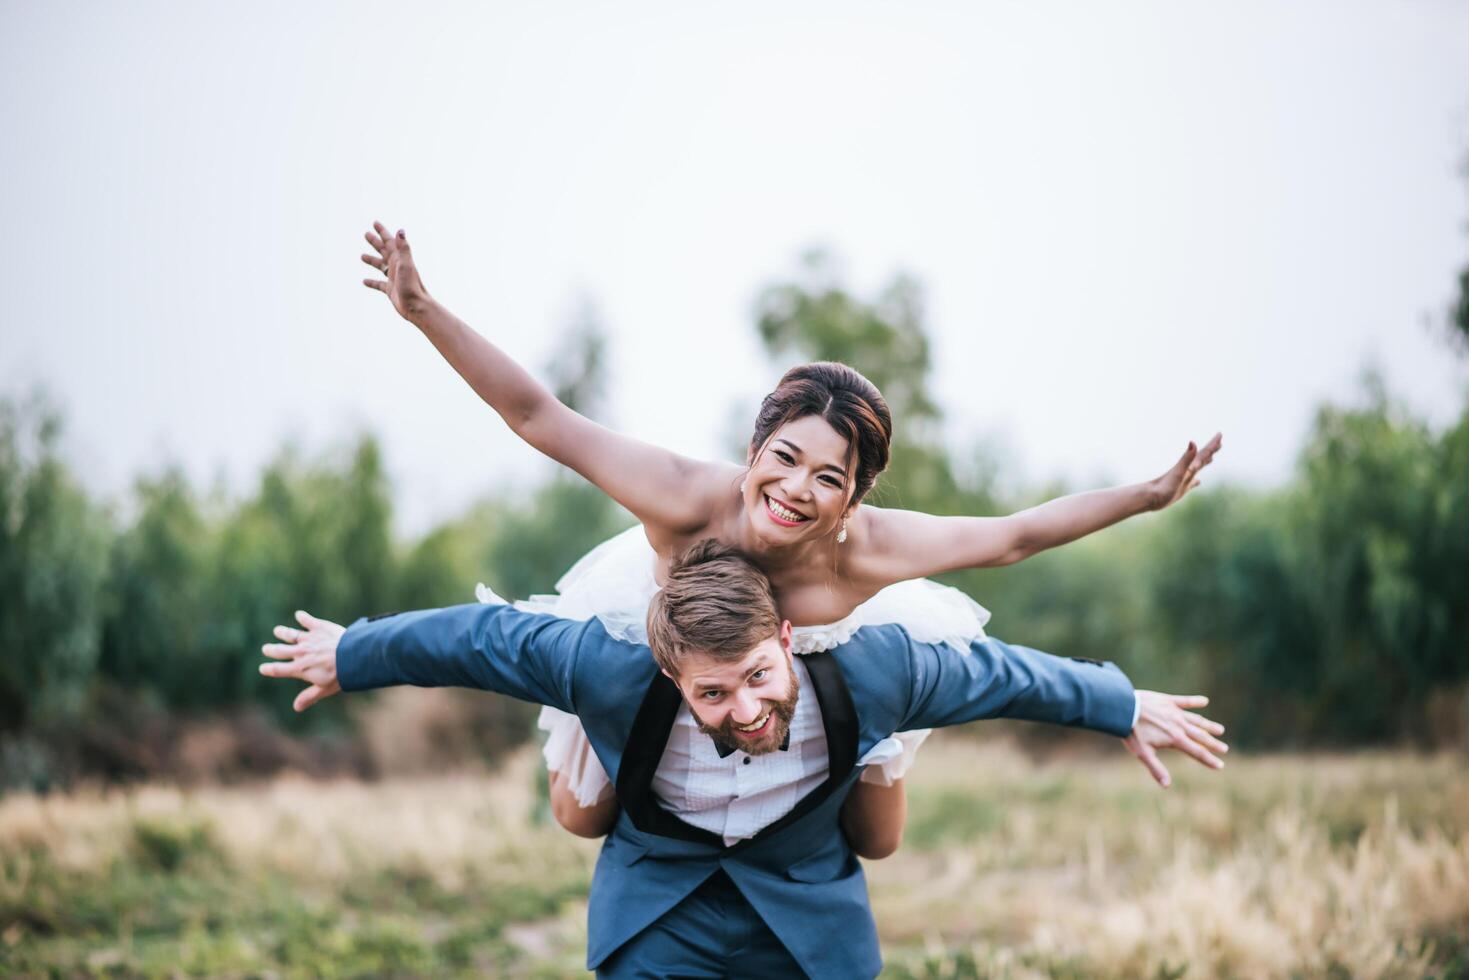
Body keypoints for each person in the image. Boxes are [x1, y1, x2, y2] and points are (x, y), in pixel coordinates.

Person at [359, 221, 1223, 854]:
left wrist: (1144, 496)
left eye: (829, 478)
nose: (796, 491)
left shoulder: (869, 550)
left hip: (820, 665)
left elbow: (1013, 536)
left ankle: (831, 778)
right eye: (784, 458)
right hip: (675, 636)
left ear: (855, 496)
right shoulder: (684, 500)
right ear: (753, 447)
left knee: (878, 841)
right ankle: (631, 761)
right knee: (581, 817)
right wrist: (423, 310)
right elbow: (536, 415)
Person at [259, 541, 1227, 978]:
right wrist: (354, 652)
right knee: (581, 804)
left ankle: (873, 770)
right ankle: (582, 768)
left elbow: (1000, 673)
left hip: (806, 913)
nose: (748, 708)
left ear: (785, 637)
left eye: (760, 677)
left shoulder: (872, 669)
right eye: (713, 694)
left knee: (877, 830)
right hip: (657, 911)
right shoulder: (606, 668)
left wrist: (1119, 703)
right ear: (673, 675)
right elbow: (480, 640)